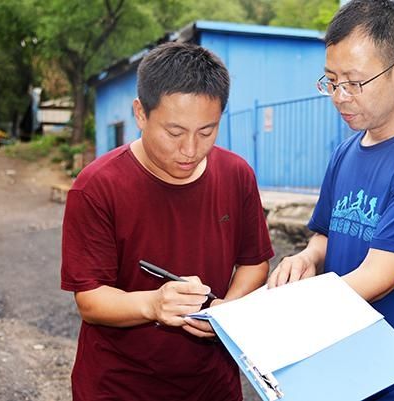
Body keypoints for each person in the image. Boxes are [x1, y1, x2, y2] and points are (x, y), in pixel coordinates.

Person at [267, 1, 394, 400]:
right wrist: (306, 259)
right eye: (331, 81)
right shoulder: (347, 152)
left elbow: (377, 278)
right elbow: (325, 236)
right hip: (344, 364)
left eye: (355, 82)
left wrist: (272, 322)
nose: (340, 96)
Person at [61, 42, 274, 401]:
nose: (190, 149)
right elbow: (91, 299)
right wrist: (153, 304)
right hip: (120, 387)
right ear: (140, 114)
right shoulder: (97, 187)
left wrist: (227, 310)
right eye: (174, 133)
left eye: (207, 132)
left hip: (213, 385)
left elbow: (254, 263)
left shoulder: (236, 175)